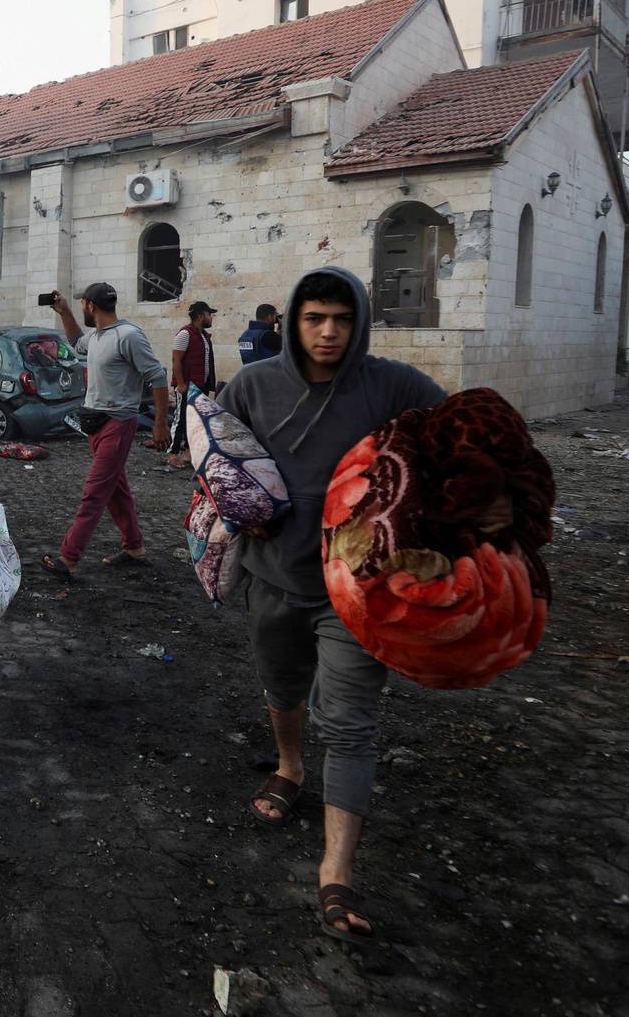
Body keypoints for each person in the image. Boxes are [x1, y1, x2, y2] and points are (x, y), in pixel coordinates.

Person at [217, 265, 506, 945]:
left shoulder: (391, 385)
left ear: (360, 324)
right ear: (292, 320)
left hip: (358, 591)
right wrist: (232, 504)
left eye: (342, 320)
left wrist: (480, 496)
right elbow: (212, 457)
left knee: (349, 722)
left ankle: (335, 869)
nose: (328, 332)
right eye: (315, 317)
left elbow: (462, 429)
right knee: (281, 686)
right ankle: (290, 766)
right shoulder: (253, 384)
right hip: (272, 575)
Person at [39, 281, 170, 580]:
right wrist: (64, 313)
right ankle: (134, 548)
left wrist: (160, 424)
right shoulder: (98, 337)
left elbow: (158, 376)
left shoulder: (129, 336)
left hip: (118, 424)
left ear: (91, 305)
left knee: (95, 493)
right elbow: (75, 342)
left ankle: (68, 558)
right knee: (116, 491)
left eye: (81, 303)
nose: (82, 307)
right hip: (96, 425)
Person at [165, 301, 218, 468]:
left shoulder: (203, 335)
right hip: (187, 385)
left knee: (196, 421)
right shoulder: (185, 334)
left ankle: (188, 454)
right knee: (180, 419)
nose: (211, 318)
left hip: (200, 385)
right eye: (209, 314)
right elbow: (176, 359)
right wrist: (180, 383)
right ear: (201, 316)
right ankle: (172, 454)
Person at [238, 303, 283, 368]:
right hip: (268, 375)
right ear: (270, 317)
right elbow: (287, 347)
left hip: (250, 374)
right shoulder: (268, 335)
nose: (276, 319)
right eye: (275, 316)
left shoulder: (245, 335)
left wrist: (278, 331)